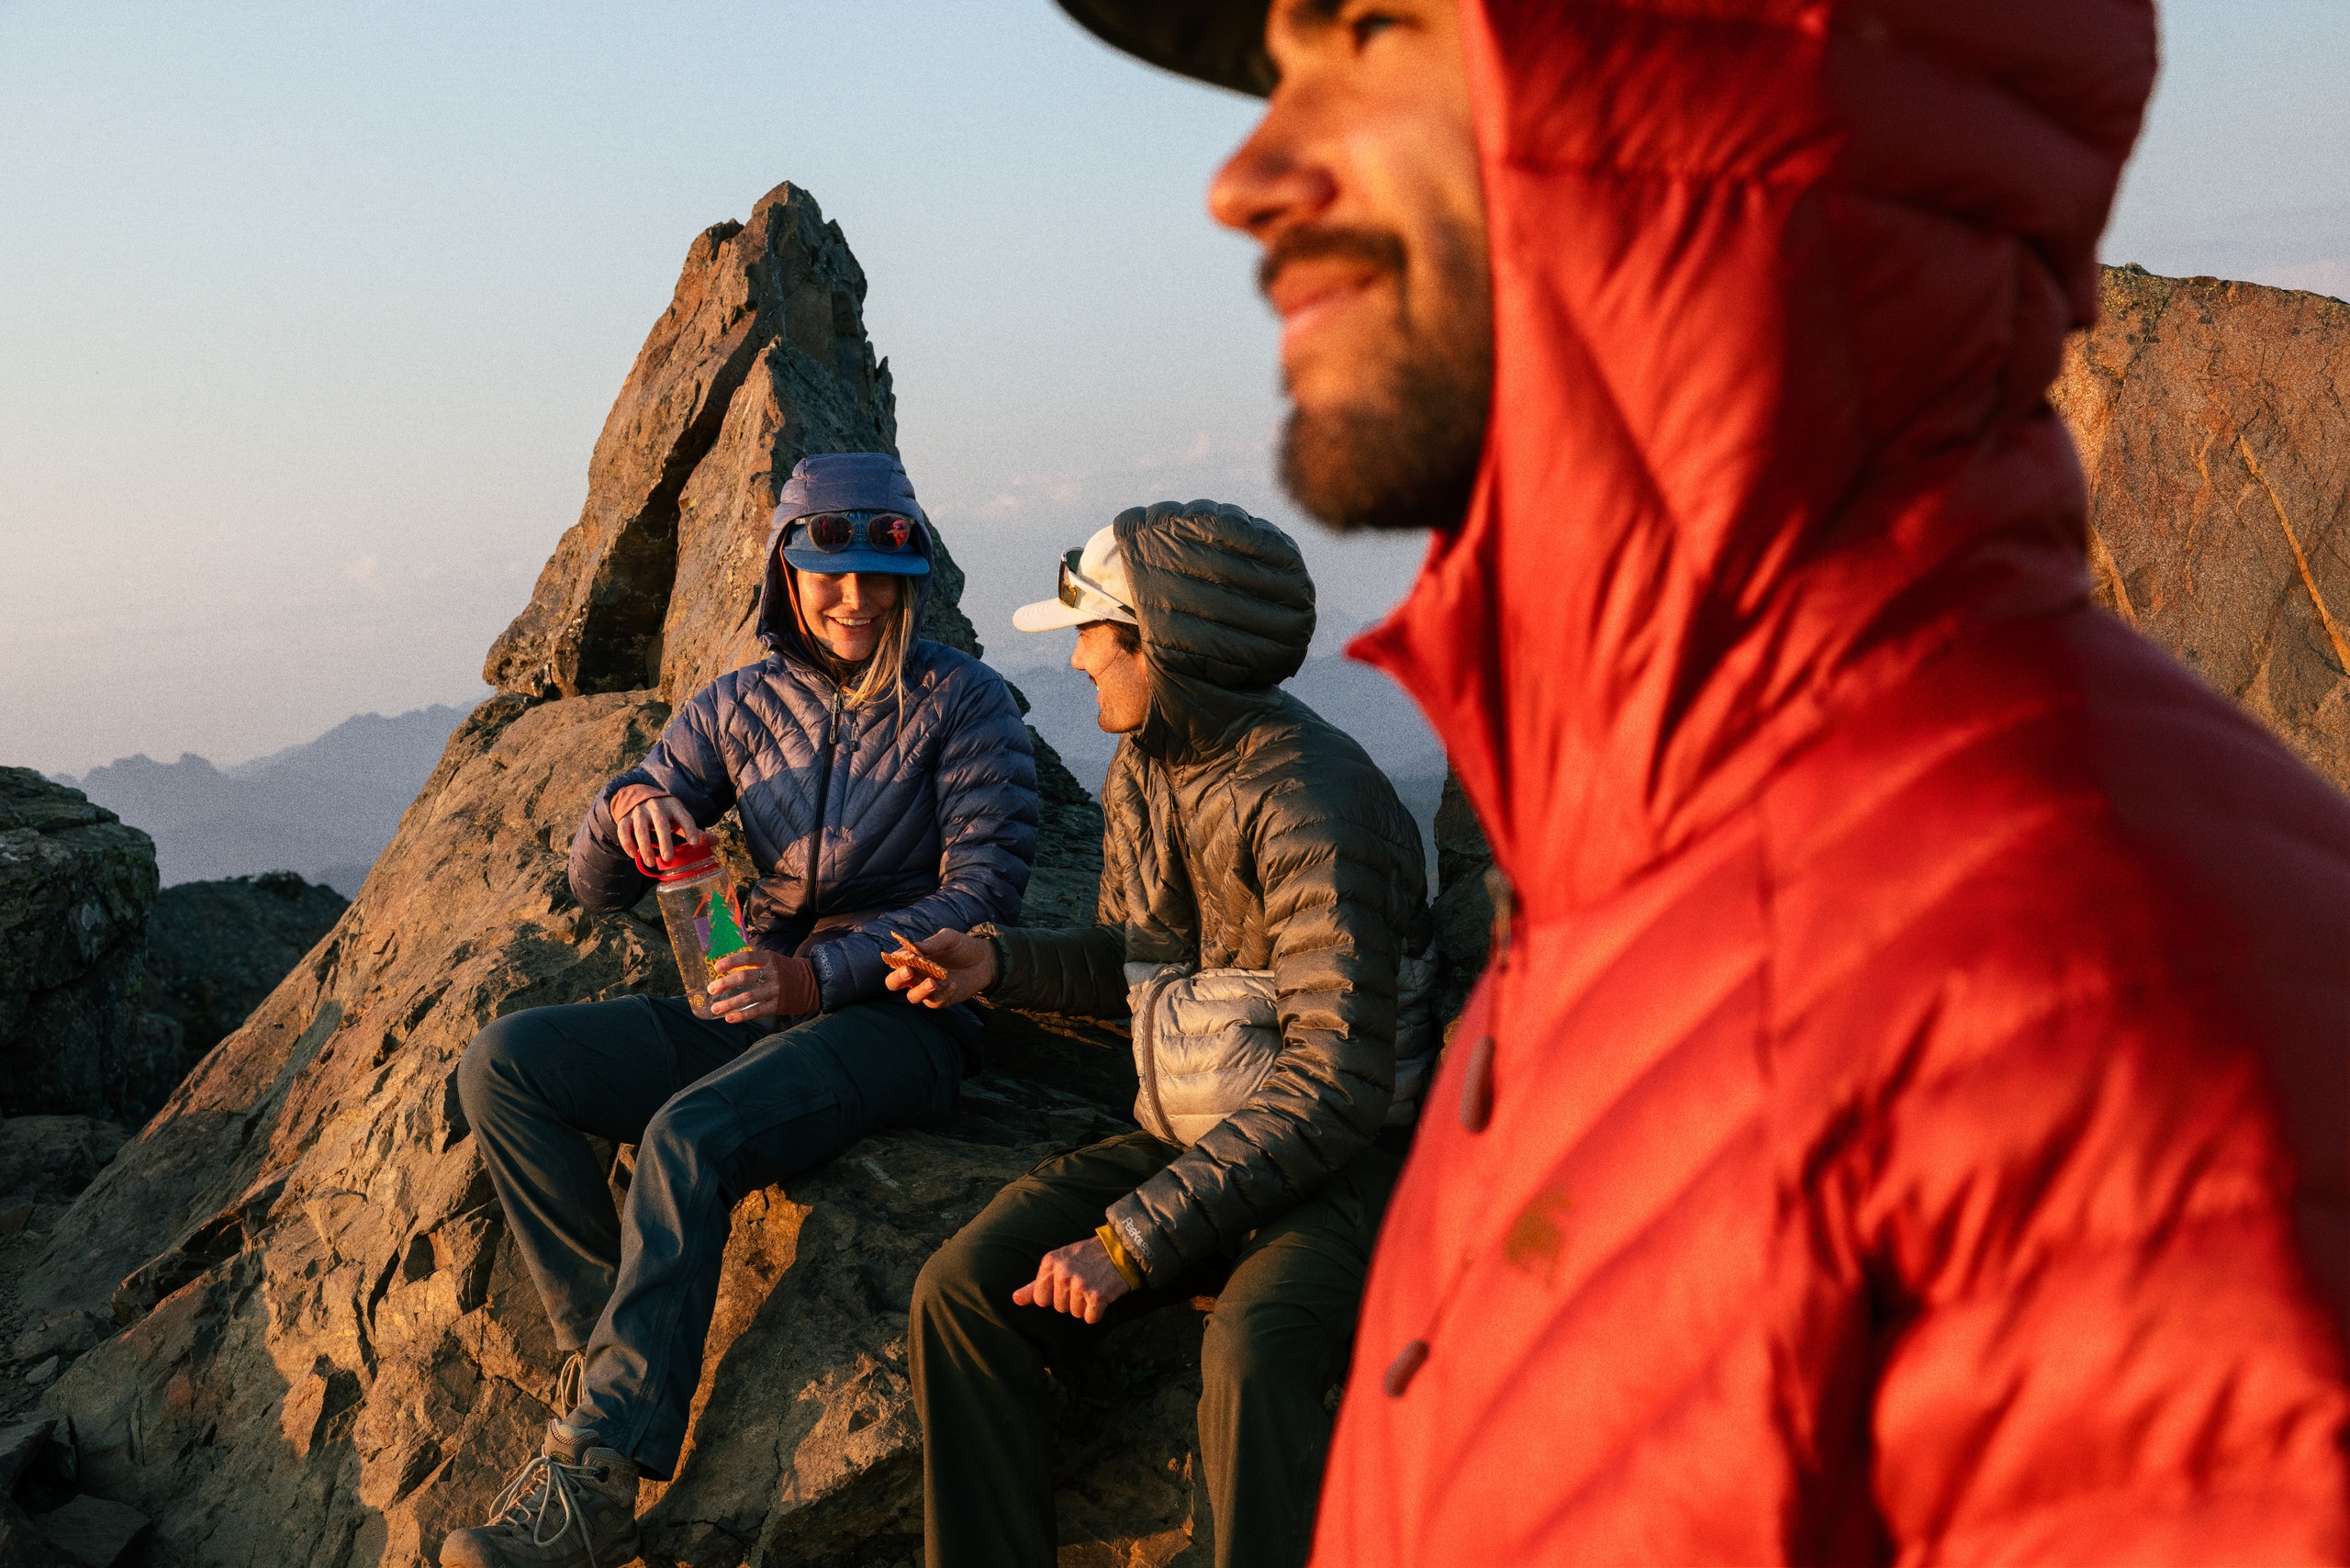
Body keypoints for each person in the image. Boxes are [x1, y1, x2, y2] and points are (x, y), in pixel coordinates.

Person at [1057, 0, 2350, 1561]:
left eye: (1372, 36)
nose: (1247, 176)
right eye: (1278, 69)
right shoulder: (1635, 906)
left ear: (1710, 79)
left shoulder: (2095, 1012)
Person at [441, 452, 1039, 1568]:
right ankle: (612, 1350)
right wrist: (628, 806)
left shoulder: (967, 706)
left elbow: (980, 893)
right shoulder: (736, 705)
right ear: (786, 575)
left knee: (690, 1134)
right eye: (832, 576)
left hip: (900, 1020)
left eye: (878, 576)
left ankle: (596, 1484)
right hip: (750, 1003)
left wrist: (818, 978)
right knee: (503, 1064)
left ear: (910, 576)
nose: (856, 600)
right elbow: (594, 887)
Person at [895, 502, 1437, 1568]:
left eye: (1095, 633)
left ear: (1164, 643)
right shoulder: (1146, 764)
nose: (1081, 658)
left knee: (1253, 1344)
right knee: (963, 1292)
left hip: (1345, 1162)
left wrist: (1127, 1241)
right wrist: (997, 963)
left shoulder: (1310, 797)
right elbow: (1140, 960)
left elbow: (1335, 1082)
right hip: (1197, 1135)